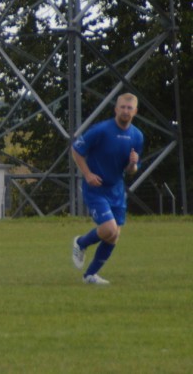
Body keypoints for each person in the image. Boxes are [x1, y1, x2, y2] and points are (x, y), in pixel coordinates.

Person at [70, 93, 143, 285]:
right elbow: (76, 150)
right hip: (96, 188)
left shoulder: (137, 136)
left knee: (114, 235)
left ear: (135, 111)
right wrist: (87, 174)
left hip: (116, 190)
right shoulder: (101, 130)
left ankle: (90, 275)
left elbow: (131, 171)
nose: (125, 111)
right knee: (108, 228)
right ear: (116, 109)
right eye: (122, 107)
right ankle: (81, 243)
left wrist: (133, 164)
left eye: (129, 108)